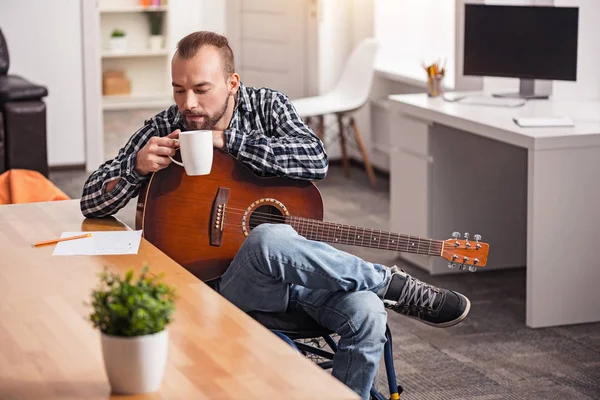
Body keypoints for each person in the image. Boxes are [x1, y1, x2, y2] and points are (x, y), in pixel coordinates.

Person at [81, 31, 470, 399]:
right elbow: (90, 200)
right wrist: (135, 166)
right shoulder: (167, 125)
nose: (189, 104)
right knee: (268, 238)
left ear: (233, 83)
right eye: (179, 90)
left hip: (301, 276)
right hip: (225, 285)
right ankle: (391, 284)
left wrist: (229, 140)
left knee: (368, 311)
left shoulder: (268, 106)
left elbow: (315, 159)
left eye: (201, 89)